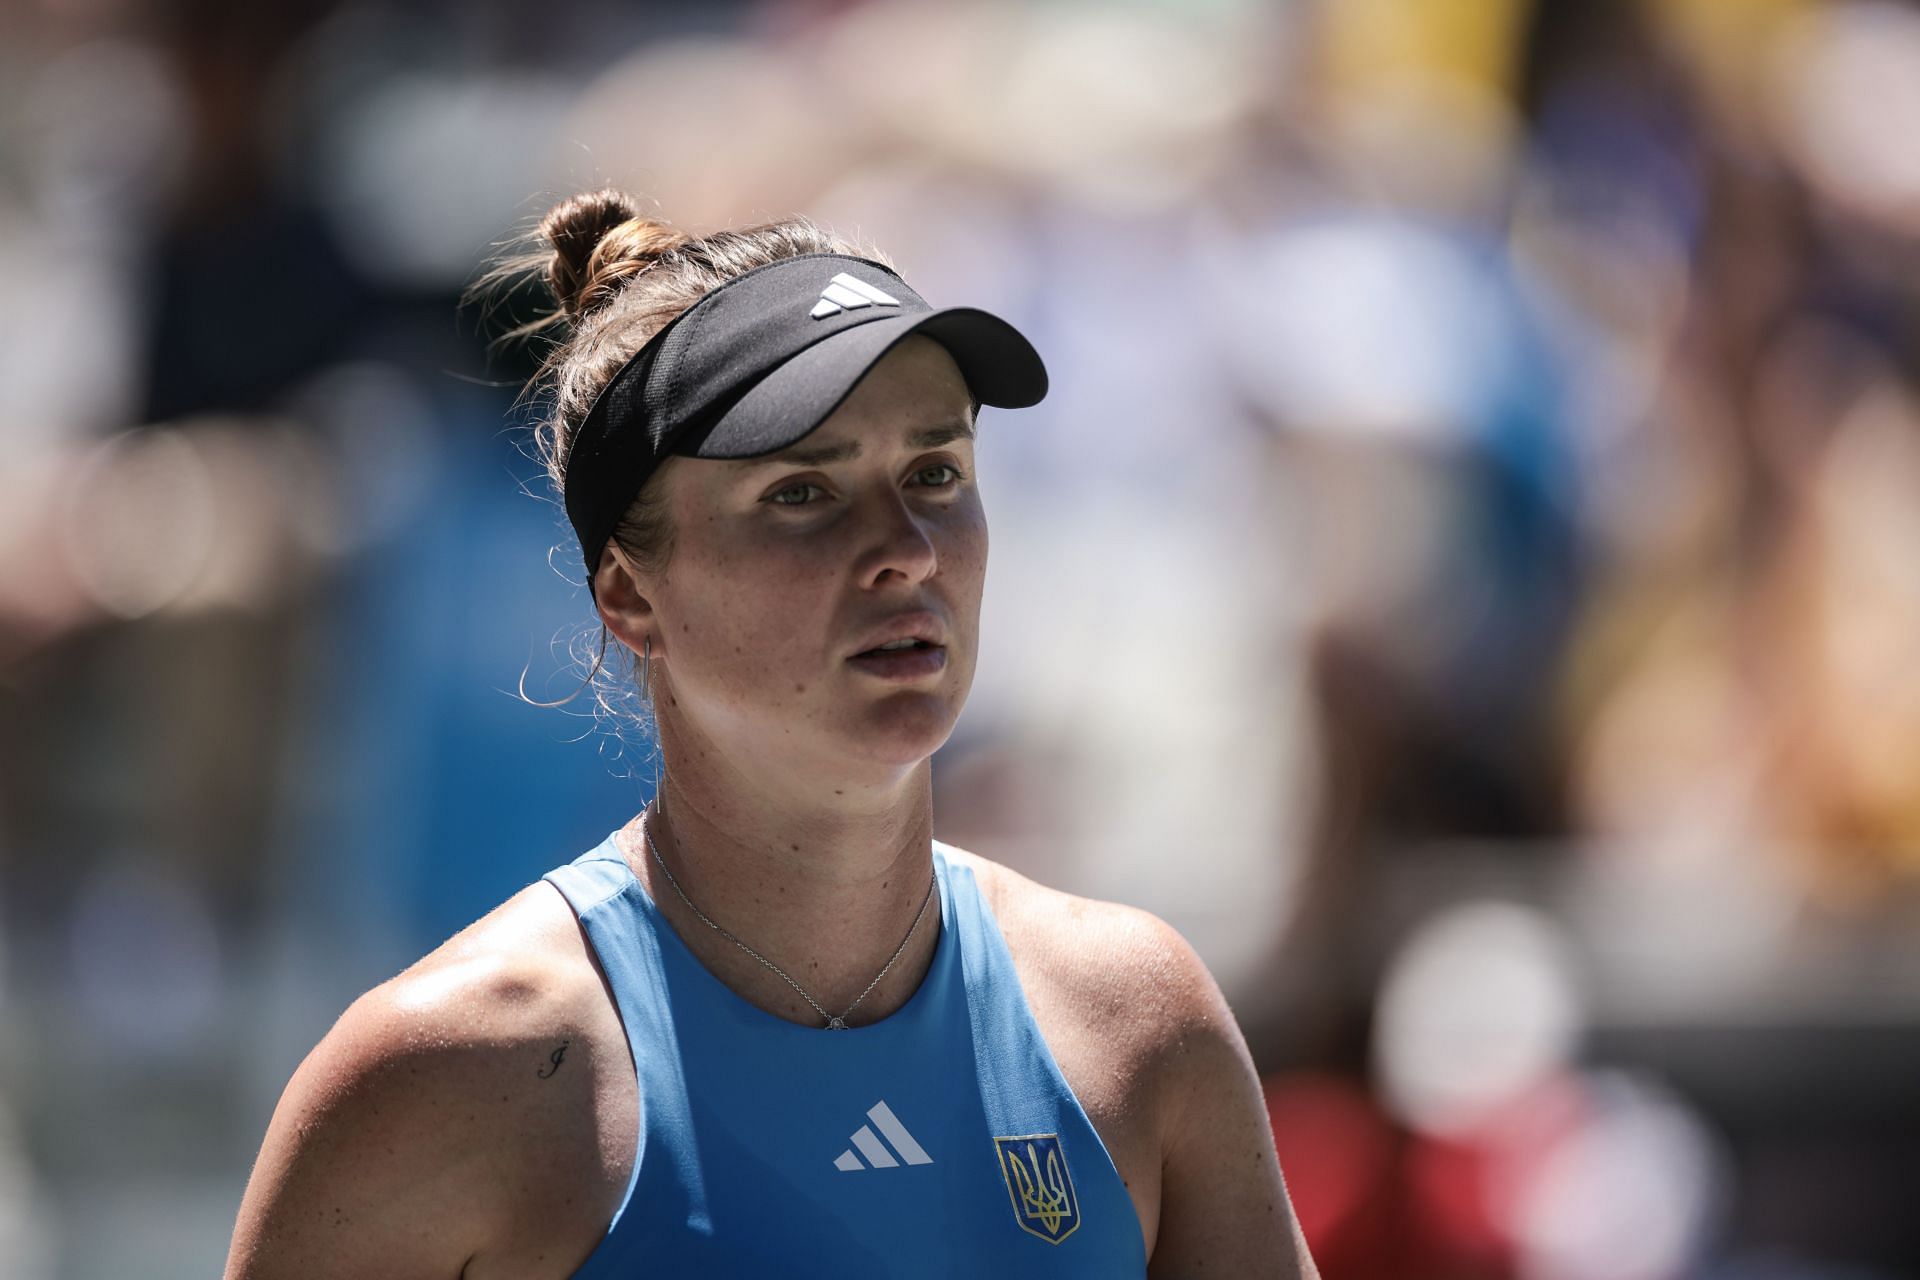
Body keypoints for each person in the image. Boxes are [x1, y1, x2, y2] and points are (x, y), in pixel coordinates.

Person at [223, 188, 1320, 1278]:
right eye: (803, 492)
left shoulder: (1135, 1018)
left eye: (936, 473)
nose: (907, 549)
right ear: (630, 596)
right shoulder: (446, 1076)